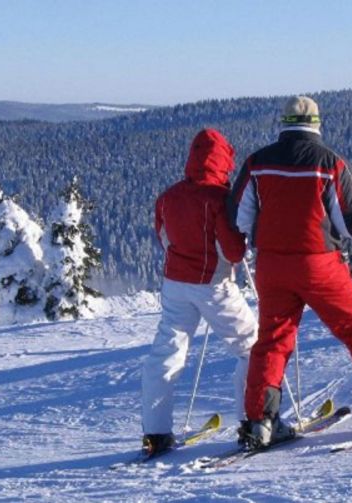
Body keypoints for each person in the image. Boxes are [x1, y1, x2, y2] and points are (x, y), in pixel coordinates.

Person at [229, 96, 352, 448]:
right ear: (316, 124)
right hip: (318, 264)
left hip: (271, 264)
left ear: (283, 123)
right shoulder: (330, 163)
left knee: (272, 340)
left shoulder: (257, 163)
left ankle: (260, 423)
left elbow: (239, 218)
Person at [141, 128, 257, 455]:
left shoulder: (169, 196)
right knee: (252, 347)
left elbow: (164, 237)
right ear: (223, 161)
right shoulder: (220, 198)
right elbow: (233, 252)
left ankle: (155, 431)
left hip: (175, 283)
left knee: (166, 353)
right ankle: (253, 421)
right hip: (213, 285)